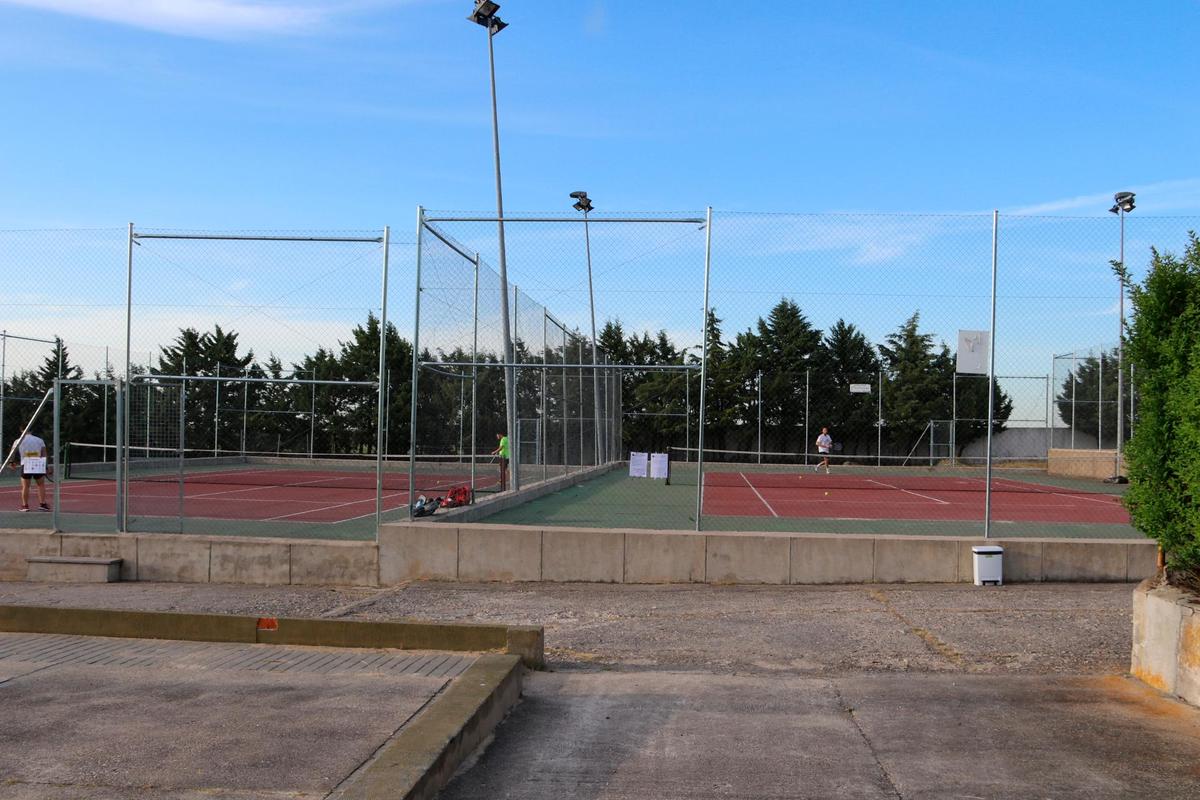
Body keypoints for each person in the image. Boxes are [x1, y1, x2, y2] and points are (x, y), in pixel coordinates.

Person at [9, 429, 50, 512]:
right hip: (38, 464)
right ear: (32, 430)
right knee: (40, 485)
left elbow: (12, 453)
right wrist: (45, 466)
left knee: (25, 486)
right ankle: (42, 504)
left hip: (26, 464)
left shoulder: (18, 441)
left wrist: (11, 462)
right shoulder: (39, 440)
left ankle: (25, 506)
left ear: (21, 430)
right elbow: (44, 454)